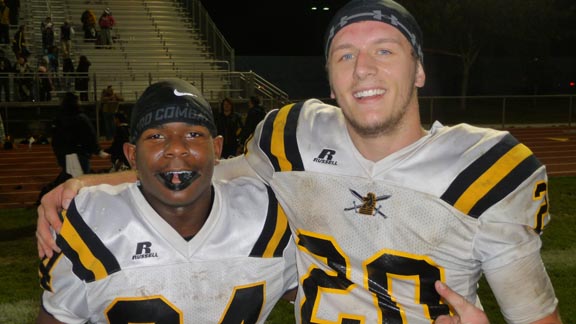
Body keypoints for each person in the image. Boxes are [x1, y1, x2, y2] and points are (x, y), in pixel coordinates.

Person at [36, 0, 560, 322]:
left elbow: (536, 316)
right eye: (345, 56)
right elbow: (214, 169)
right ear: (330, 80)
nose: (363, 69)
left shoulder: (486, 167)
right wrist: (94, 184)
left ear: (419, 70)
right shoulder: (294, 136)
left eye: (385, 50)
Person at [37, 79, 298, 323]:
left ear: (217, 148)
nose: (176, 147)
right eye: (156, 136)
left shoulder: (268, 216)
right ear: (131, 154)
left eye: (194, 134)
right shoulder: (90, 225)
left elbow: (321, 288)